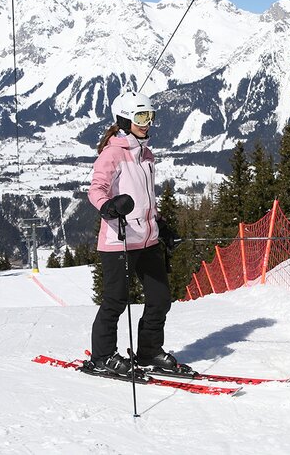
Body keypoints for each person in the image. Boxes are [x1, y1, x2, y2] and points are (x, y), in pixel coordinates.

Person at [83, 90, 181, 377]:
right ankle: (102, 357)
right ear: (125, 118)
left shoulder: (147, 155)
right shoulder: (113, 153)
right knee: (115, 301)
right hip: (120, 240)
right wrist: (109, 207)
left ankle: (148, 350)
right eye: (140, 116)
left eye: (150, 116)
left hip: (147, 239)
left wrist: (160, 223)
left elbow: (146, 197)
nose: (147, 122)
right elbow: (96, 190)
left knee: (160, 298)